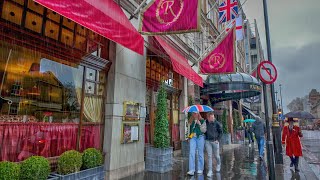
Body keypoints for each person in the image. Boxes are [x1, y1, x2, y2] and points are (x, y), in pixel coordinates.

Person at [204, 112, 222, 177]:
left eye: (213, 117)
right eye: (211, 117)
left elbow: (220, 132)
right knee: (209, 156)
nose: (213, 118)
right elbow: (203, 130)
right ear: (208, 117)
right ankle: (210, 171)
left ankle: (218, 164)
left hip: (215, 141)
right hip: (208, 141)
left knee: (216, 156)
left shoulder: (216, 123)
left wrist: (218, 140)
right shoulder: (205, 122)